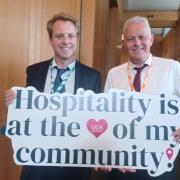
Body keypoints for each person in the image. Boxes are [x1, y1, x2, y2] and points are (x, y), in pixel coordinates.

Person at [5, 12, 101, 180]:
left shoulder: (93, 77)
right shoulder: (34, 71)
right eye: (59, 36)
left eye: (71, 35)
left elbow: (96, 118)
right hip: (37, 163)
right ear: (51, 40)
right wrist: (14, 105)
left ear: (76, 39)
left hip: (74, 164)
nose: (66, 41)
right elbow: (27, 112)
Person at [104, 16, 180, 180]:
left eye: (142, 37)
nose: (137, 43)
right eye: (131, 39)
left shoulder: (172, 68)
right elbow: (106, 116)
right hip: (122, 165)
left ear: (151, 39)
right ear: (124, 43)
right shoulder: (113, 74)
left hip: (160, 163)